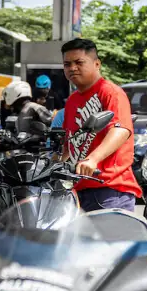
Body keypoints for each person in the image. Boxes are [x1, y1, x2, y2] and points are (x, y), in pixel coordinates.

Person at [61, 38, 142, 212]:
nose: (72, 68)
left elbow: (120, 130)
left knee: (107, 239)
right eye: (67, 64)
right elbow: (70, 139)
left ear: (97, 64)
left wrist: (93, 159)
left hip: (109, 188)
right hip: (77, 189)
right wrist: (56, 162)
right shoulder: (72, 100)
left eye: (79, 62)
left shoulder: (110, 92)